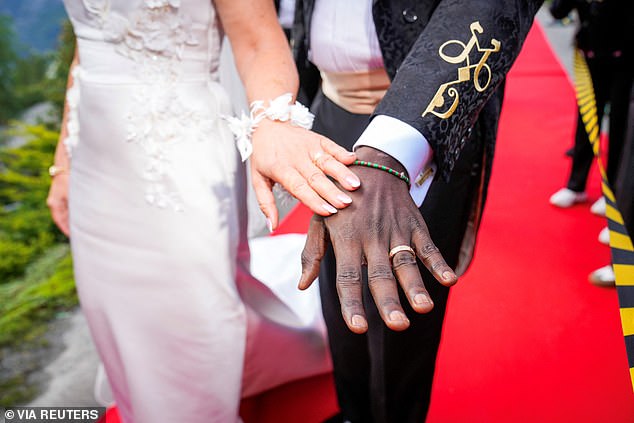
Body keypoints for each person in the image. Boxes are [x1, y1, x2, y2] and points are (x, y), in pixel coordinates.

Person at [46, 1, 362, 422]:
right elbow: (89, 47)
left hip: (178, 153)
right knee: (116, 304)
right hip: (95, 156)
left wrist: (271, 123)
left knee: (194, 312)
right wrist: (64, 159)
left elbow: (257, 41)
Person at [294, 1, 543, 422]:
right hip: (329, 111)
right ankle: (354, 412)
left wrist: (391, 150)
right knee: (342, 295)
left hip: (421, 126)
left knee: (400, 316)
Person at [548, 0, 633, 213]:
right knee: (586, 118)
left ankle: (612, 192)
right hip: (590, 55)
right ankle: (576, 185)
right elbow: (558, 11)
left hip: (623, 58)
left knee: (618, 126)